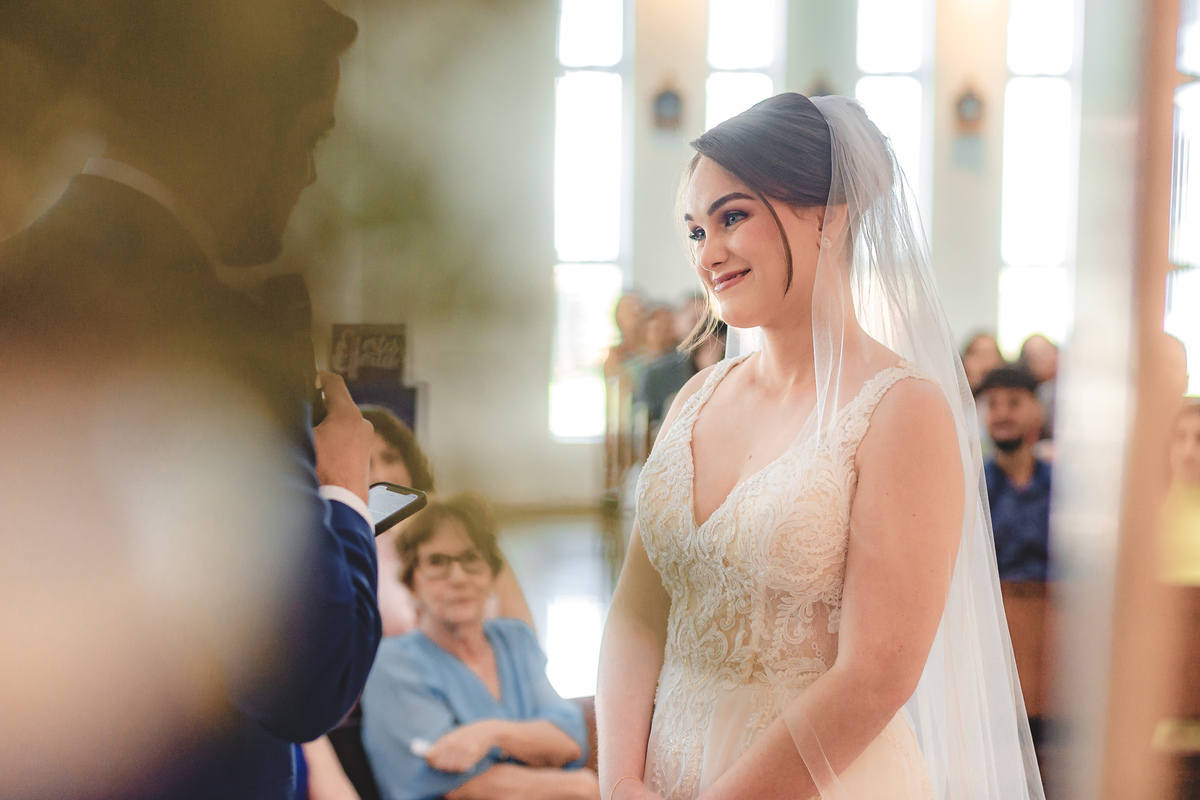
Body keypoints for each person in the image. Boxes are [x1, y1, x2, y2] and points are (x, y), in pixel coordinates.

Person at [596, 93, 1042, 800]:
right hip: (667, 775)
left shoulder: (903, 411)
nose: (708, 253)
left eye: (732, 217)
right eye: (694, 231)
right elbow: (636, 611)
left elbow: (877, 675)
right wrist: (619, 780)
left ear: (829, 217)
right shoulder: (696, 397)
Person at [0, 3, 380, 799]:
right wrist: (345, 483)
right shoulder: (201, 328)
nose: (310, 175)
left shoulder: (26, 267)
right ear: (235, 126)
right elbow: (306, 675)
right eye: (308, 138)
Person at [362, 493, 598, 800]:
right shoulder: (391, 663)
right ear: (411, 580)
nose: (458, 577)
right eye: (437, 562)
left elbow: (570, 738)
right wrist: (577, 786)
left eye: (471, 559)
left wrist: (489, 733)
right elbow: (458, 786)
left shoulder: (515, 639)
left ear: (491, 574)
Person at [977, 365, 1052, 583]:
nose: (1002, 415)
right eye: (992, 405)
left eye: (1014, 403)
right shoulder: (974, 490)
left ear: (1037, 409)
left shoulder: (1061, 489)